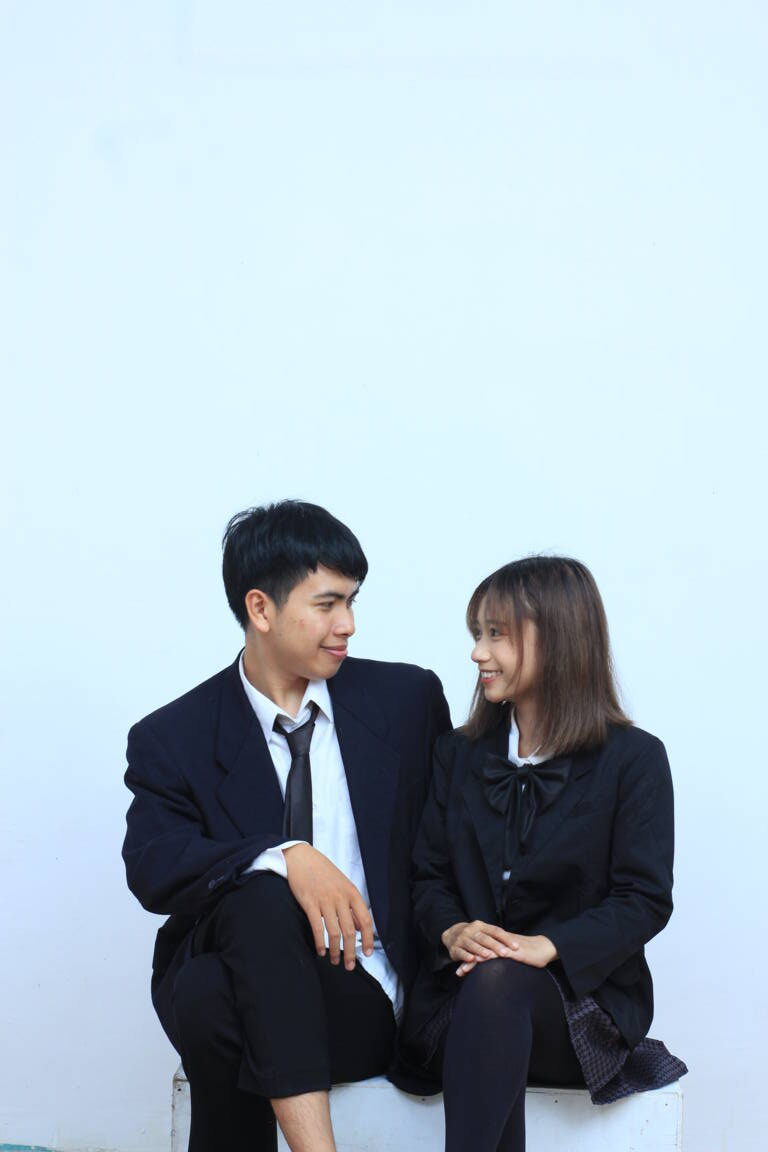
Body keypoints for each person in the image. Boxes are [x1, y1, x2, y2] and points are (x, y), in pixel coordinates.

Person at [122, 500, 451, 1152]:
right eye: (327, 604)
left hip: (359, 995)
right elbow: (153, 865)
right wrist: (287, 855)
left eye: (352, 602)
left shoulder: (406, 702)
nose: (348, 624)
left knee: (206, 999)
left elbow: (453, 838)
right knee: (258, 898)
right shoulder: (174, 736)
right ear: (261, 609)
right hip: (247, 969)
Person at [399, 556, 686, 1152]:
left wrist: (547, 946)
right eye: (477, 633)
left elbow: (644, 900)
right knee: (491, 987)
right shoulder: (457, 754)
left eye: (496, 634)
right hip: (459, 1004)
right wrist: (453, 931)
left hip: (580, 1012)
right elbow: (428, 876)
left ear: (558, 638)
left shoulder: (634, 759)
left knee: (500, 983)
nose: (478, 652)